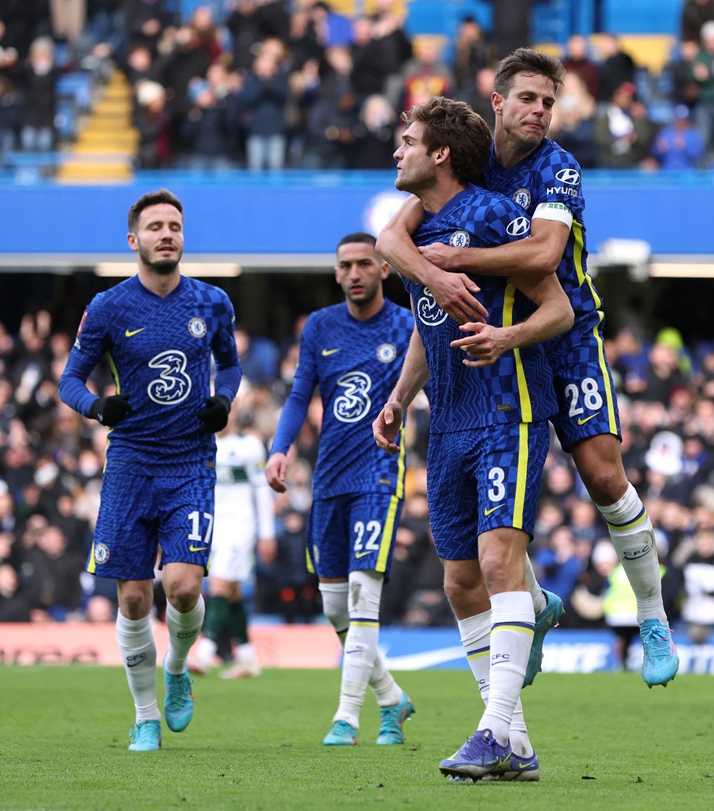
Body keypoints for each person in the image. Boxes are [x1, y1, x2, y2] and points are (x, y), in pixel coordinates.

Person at [377, 48, 679, 690]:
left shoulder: (558, 167)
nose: (540, 111)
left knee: (602, 475)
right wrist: (433, 274)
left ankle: (652, 617)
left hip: (565, 332)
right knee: (489, 523)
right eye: (528, 99)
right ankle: (532, 607)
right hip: (493, 340)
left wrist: (454, 264)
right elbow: (391, 241)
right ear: (498, 101)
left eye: (549, 101)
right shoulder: (465, 159)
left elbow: (544, 255)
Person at [372, 95, 574, 781]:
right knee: (460, 580)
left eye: (407, 141)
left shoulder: (488, 214)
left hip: (508, 408)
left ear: (440, 154)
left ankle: (492, 733)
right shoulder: (417, 227)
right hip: (448, 419)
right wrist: (399, 398)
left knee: (496, 564)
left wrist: (506, 335)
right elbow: (430, 327)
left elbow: (559, 305)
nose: (396, 150)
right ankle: (511, 738)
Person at [58, 189, 242, 752]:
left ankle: (178, 667)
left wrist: (224, 400)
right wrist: (96, 407)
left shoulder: (212, 303)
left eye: (175, 226)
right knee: (134, 598)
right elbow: (70, 379)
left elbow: (229, 366)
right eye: (156, 227)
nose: (168, 234)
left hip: (190, 461)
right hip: (131, 464)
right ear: (134, 240)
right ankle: (144, 716)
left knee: (182, 587)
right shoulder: (109, 307)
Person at [265, 232, 416, 747]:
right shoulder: (320, 327)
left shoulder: (406, 325)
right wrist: (280, 447)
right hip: (329, 477)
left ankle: (347, 717)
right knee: (333, 606)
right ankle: (393, 699)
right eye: (346, 265)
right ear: (336, 272)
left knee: (360, 594)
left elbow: (430, 390)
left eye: (364, 264)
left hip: (378, 473)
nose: (355, 272)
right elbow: (299, 393)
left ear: (384, 269)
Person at [190, 404, 274, 679]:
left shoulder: (249, 446)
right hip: (213, 528)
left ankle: (205, 652)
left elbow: (262, 491)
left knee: (219, 585)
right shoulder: (203, 443)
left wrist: (267, 533)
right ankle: (248, 659)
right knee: (232, 592)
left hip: (241, 528)